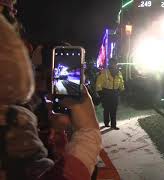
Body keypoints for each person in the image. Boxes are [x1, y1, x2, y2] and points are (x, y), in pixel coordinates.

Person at [0, 1, 102, 179]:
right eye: (9, 17)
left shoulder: (24, 117)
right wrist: (87, 134)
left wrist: (60, 134)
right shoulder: (14, 125)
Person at [96, 58, 125, 130]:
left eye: (115, 64)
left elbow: (121, 82)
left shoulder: (119, 72)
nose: (114, 65)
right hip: (106, 93)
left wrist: (122, 89)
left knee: (114, 109)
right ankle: (106, 123)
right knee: (106, 109)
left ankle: (113, 125)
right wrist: (100, 93)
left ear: (116, 64)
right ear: (109, 63)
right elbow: (98, 83)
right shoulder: (104, 72)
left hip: (115, 93)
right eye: (112, 63)